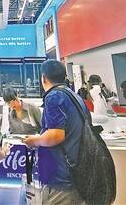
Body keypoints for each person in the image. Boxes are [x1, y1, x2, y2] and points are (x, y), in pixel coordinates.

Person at [24, 60, 88, 205]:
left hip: (62, 177)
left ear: (43, 78)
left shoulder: (54, 97)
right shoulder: (74, 96)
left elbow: (56, 135)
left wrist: (35, 141)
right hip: (77, 173)